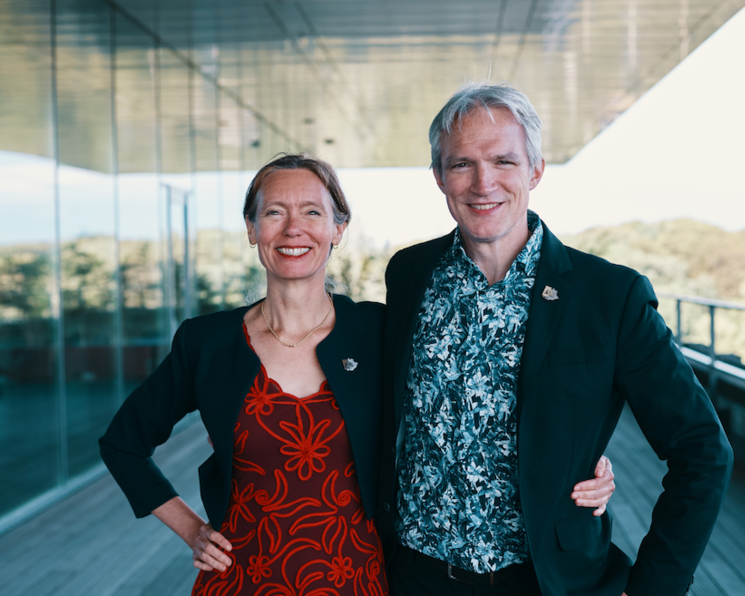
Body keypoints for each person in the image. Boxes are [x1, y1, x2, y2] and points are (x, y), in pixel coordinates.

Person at [99, 153, 617, 595]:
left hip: (360, 577)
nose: (293, 229)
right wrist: (190, 529)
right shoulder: (207, 342)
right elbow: (123, 443)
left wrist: (578, 454)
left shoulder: (379, 330)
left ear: (337, 229)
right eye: (273, 213)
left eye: (312, 212)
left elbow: (474, 391)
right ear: (252, 230)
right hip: (243, 579)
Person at [375, 83, 735, 596]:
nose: (483, 183)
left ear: (536, 170)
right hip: (415, 576)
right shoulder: (409, 273)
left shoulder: (610, 295)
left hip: (549, 582)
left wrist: (656, 586)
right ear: (438, 177)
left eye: (504, 161)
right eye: (461, 165)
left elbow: (702, 449)